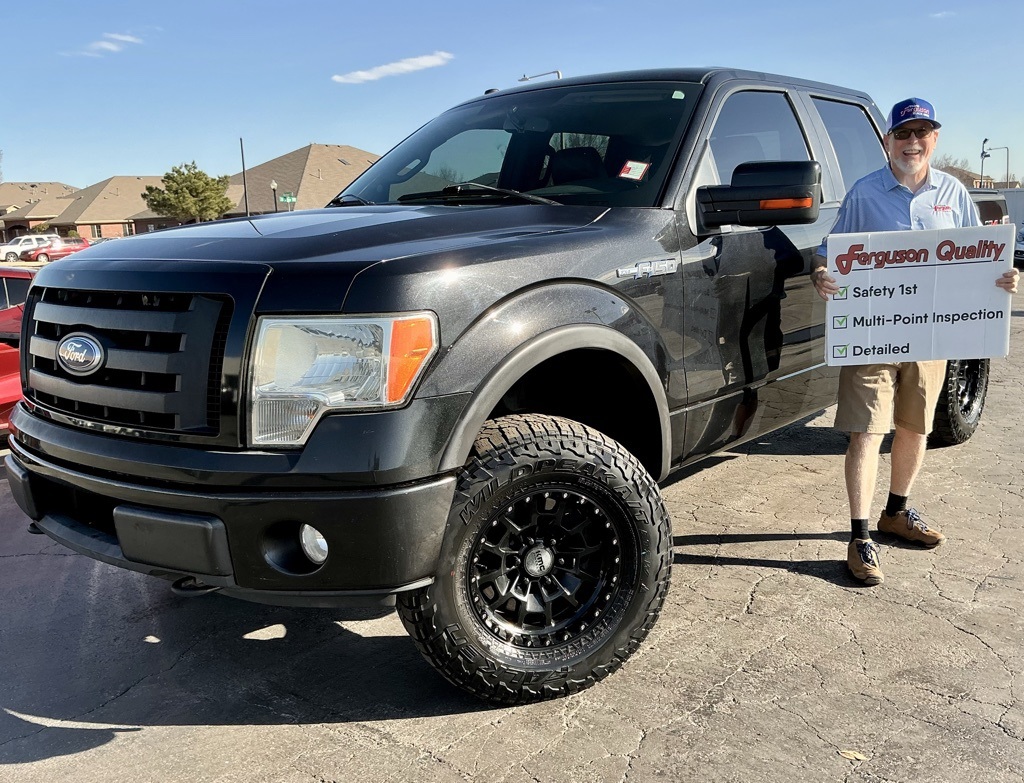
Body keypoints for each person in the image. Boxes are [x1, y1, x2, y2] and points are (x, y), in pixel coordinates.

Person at [811, 97, 1019, 586]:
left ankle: (897, 513)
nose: (912, 142)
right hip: (872, 335)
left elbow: (981, 254)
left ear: (934, 139)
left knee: (915, 425)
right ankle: (860, 535)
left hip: (931, 334)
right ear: (888, 141)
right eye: (903, 134)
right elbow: (830, 251)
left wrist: (1002, 276)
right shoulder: (865, 194)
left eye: (921, 132)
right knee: (865, 431)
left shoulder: (953, 192)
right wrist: (822, 273)